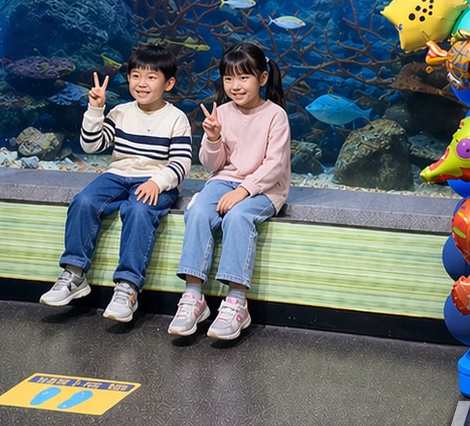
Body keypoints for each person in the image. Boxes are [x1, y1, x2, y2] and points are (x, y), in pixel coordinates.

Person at [40, 45, 192, 323]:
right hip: (118, 174)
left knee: (138, 210)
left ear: (168, 83)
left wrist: (158, 182)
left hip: (155, 180)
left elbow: (181, 164)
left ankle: (127, 287)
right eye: (136, 76)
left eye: (151, 77)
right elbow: (92, 144)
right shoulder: (121, 112)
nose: (141, 83)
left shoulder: (176, 119)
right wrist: (95, 110)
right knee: (84, 201)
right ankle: (74, 274)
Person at [169, 41, 290, 341]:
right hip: (224, 181)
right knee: (197, 210)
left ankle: (236, 301)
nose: (235, 86)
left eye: (244, 77)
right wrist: (212, 138)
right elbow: (212, 164)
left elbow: (275, 166)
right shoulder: (221, 111)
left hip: (266, 188)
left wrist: (244, 191)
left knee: (237, 218)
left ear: (262, 79)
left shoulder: (276, 115)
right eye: (228, 78)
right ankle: (193, 296)